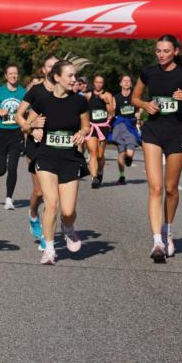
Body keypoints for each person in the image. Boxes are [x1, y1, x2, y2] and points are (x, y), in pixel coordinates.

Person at [132, 34, 182, 263]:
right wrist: (144, 104)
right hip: (153, 131)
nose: (161, 54)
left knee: (171, 189)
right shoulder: (148, 72)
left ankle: (168, 230)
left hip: (176, 132)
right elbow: (135, 97)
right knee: (156, 187)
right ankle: (157, 241)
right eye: (158, 51)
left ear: (176, 52)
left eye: (166, 51)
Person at [26, 60, 90, 265]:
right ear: (57, 77)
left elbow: (86, 127)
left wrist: (81, 132)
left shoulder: (79, 102)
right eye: (70, 76)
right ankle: (49, 249)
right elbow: (26, 124)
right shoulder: (43, 101)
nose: (74, 80)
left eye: (75, 76)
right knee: (51, 203)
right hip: (46, 157)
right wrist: (33, 126)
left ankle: (68, 227)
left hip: (70, 159)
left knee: (68, 211)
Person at [16, 54, 58, 250]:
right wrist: (29, 126)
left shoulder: (65, 91)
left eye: (56, 66)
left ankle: (46, 236)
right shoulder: (36, 90)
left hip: (57, 146)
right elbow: (19, 115)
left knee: (52, 196)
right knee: (39, 191)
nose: (52, 69)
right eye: (49, 66)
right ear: (44, 70)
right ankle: (33, 213)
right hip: (36, 145)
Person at [0, 64, 26, 209]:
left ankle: (9, 199)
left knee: (13, 167)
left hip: (16, 133)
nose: (13, 76)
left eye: (15, 73)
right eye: (10, 73)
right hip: (0, 134)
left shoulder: (23, 92)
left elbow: (30, 110)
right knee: (2, 169)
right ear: (6, 76)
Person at [111, 74, 141, 185]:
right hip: (119, 126)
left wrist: (138, 115)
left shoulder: (134, 97)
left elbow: (139, 108)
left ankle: (129, 159)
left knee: (129, 153)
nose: (126, 82)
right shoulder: (116, 97)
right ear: (120, 83)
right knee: (121, 153)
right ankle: (122, 176)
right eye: (124, 81)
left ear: (131, 84)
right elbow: (112, 111)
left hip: (130, 126)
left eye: (128, 81)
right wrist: (111, 114)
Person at [85, 74, 114, 188]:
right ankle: (94, 178)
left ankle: (100, 171)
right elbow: (84, 112)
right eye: (96, 82)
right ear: (94, 83)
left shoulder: (108, 95)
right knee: (92, 152)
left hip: (103, 127)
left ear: (103, 83)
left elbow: (111, 113)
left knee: (100, 155)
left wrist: (106, 102)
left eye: (100, 82)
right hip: (92, 127)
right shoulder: (88, 95)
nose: (98, 84)